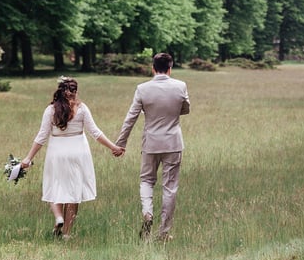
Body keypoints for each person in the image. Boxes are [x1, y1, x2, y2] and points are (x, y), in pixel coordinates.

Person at [20, 76, 122, 239]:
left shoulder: (51, 110)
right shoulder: (81, 108)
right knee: (73, 193)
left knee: (54, 187)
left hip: (57, 153)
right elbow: (95, 132)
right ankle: (66, 233)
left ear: (59, 91)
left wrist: (28, 158)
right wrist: (114, 147)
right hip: (78, 153)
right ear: (75, 92)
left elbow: (41, 137)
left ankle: (58, 217)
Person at [114, 52, 190, 242]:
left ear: (153, 68)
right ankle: (163, 232)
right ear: (170, 68)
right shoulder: (180, 86)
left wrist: (121, 143)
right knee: (169, 188)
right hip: (173, 143)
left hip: (150, 143)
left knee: (147, 181)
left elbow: (130, 117)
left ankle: (147, 212)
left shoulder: (142, 89)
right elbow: (186, 109)